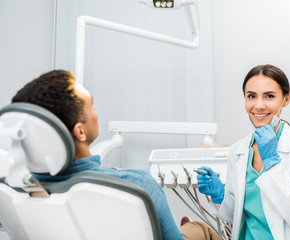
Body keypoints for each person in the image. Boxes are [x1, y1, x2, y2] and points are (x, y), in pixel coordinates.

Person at [11, 69, 219, 240]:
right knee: (202, 230)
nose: (96, 112)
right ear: (80, 131)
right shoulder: (139, 185)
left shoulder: (16, 190)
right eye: (91, 105)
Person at [196, 64, 290, 239]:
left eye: (269, 96)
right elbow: (238, 215)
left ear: (286, 100)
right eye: (251, 96)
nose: (259, 105)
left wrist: (272, 163)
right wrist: (220, 197)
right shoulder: (238, 151)